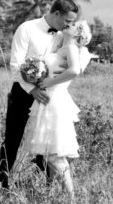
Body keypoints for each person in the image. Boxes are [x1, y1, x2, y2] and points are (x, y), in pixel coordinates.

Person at [0, 0, 79, 189]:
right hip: (24, 92)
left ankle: (46, 187)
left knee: (46, 141)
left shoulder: (63, 35)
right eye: (67, 20)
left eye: (72, 22)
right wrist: (32, 89)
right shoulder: (27, 29)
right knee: (12, 140)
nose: (69, 25)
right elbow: (16, 66)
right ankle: (0, 185)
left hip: (48, 95)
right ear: (56, 13)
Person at [22, 20, 93, 199]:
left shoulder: (70, 46)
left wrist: (48, 82)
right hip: (50, 99)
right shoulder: (64, 45)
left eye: (74, 24)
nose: (70, 23)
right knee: (50, 153)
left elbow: (74, 71)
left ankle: (71, 199)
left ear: (78, 33)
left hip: (54, 101)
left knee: (55, 155)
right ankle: (52, 195)